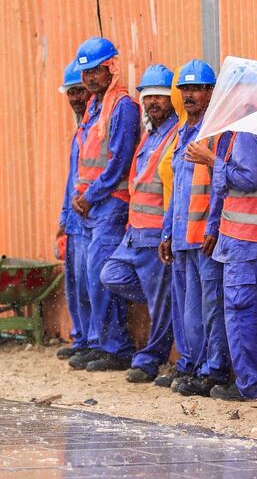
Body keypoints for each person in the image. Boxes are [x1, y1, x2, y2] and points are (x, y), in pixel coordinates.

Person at [186, 80, 257, 401]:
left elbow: (246, 179)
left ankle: (251, 385)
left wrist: (211, 160)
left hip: (245, 243)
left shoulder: (246, 132)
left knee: (242, 314)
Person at [99, 65, 179, 383]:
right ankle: (169, 303)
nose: (153, 103)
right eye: (148, 98)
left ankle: (150, 359)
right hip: (134, 234)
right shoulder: (149, 135)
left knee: (162, 302)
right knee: (111, 275)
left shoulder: (175, 134)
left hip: (155, 234)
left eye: (159, 97)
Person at [156, 59, 231, 395]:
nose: (189, 95)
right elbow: (177, 186)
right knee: (189, 311)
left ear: (210, 92)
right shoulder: (183, 132)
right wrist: (167, 233)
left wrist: (213, 227)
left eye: (195, 89)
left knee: (211, 307)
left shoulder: (215, 132)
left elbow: (220, 184)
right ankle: (192, 365)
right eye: (184, 89)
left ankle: (214, 370)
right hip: (183, 236)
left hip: (205, 237)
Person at [66, 37, 141, 373]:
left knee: (101, 274)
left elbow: (119, 161)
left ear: (111, 68)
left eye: (96, 72)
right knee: (87, 277)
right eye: (86, 74)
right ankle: (99, 342)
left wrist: (90, 195)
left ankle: (116, 346)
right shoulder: (95, 107)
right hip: (91, 206)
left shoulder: (122, 106)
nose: (90, 79)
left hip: (110, 203)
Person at [55, 60, 93, 360]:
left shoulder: (95, 126)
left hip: (91, 216)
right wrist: (62, 219)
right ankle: (81, 338)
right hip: (74, 219)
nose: (76, 98)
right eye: (71, 92)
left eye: (80, 91)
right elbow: (72, 179)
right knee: (76, 283)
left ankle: (94, 341)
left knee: (90, 282)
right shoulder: (81, 129)